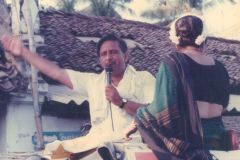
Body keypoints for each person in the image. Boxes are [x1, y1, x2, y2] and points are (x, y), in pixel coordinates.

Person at [1, 34, 155, 158]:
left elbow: (156, 113)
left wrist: (121, 102)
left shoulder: (144, 79)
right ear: (100, 60)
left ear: (126, 56)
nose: (108, 57)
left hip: (131, 147)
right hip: (96, 146)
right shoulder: (92, 82)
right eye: (104, 54)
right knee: (51, 153)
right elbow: (56, 72)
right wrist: (24, 52)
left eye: (113, 52)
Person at [125, 15, 230, 160]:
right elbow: (223, 106)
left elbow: (162, 108)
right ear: (204, 40)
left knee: (143, 117)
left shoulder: (172, 63)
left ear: (175, 41)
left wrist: (139, 117)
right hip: (217, 139)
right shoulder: (221, 68)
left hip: (189, 141)